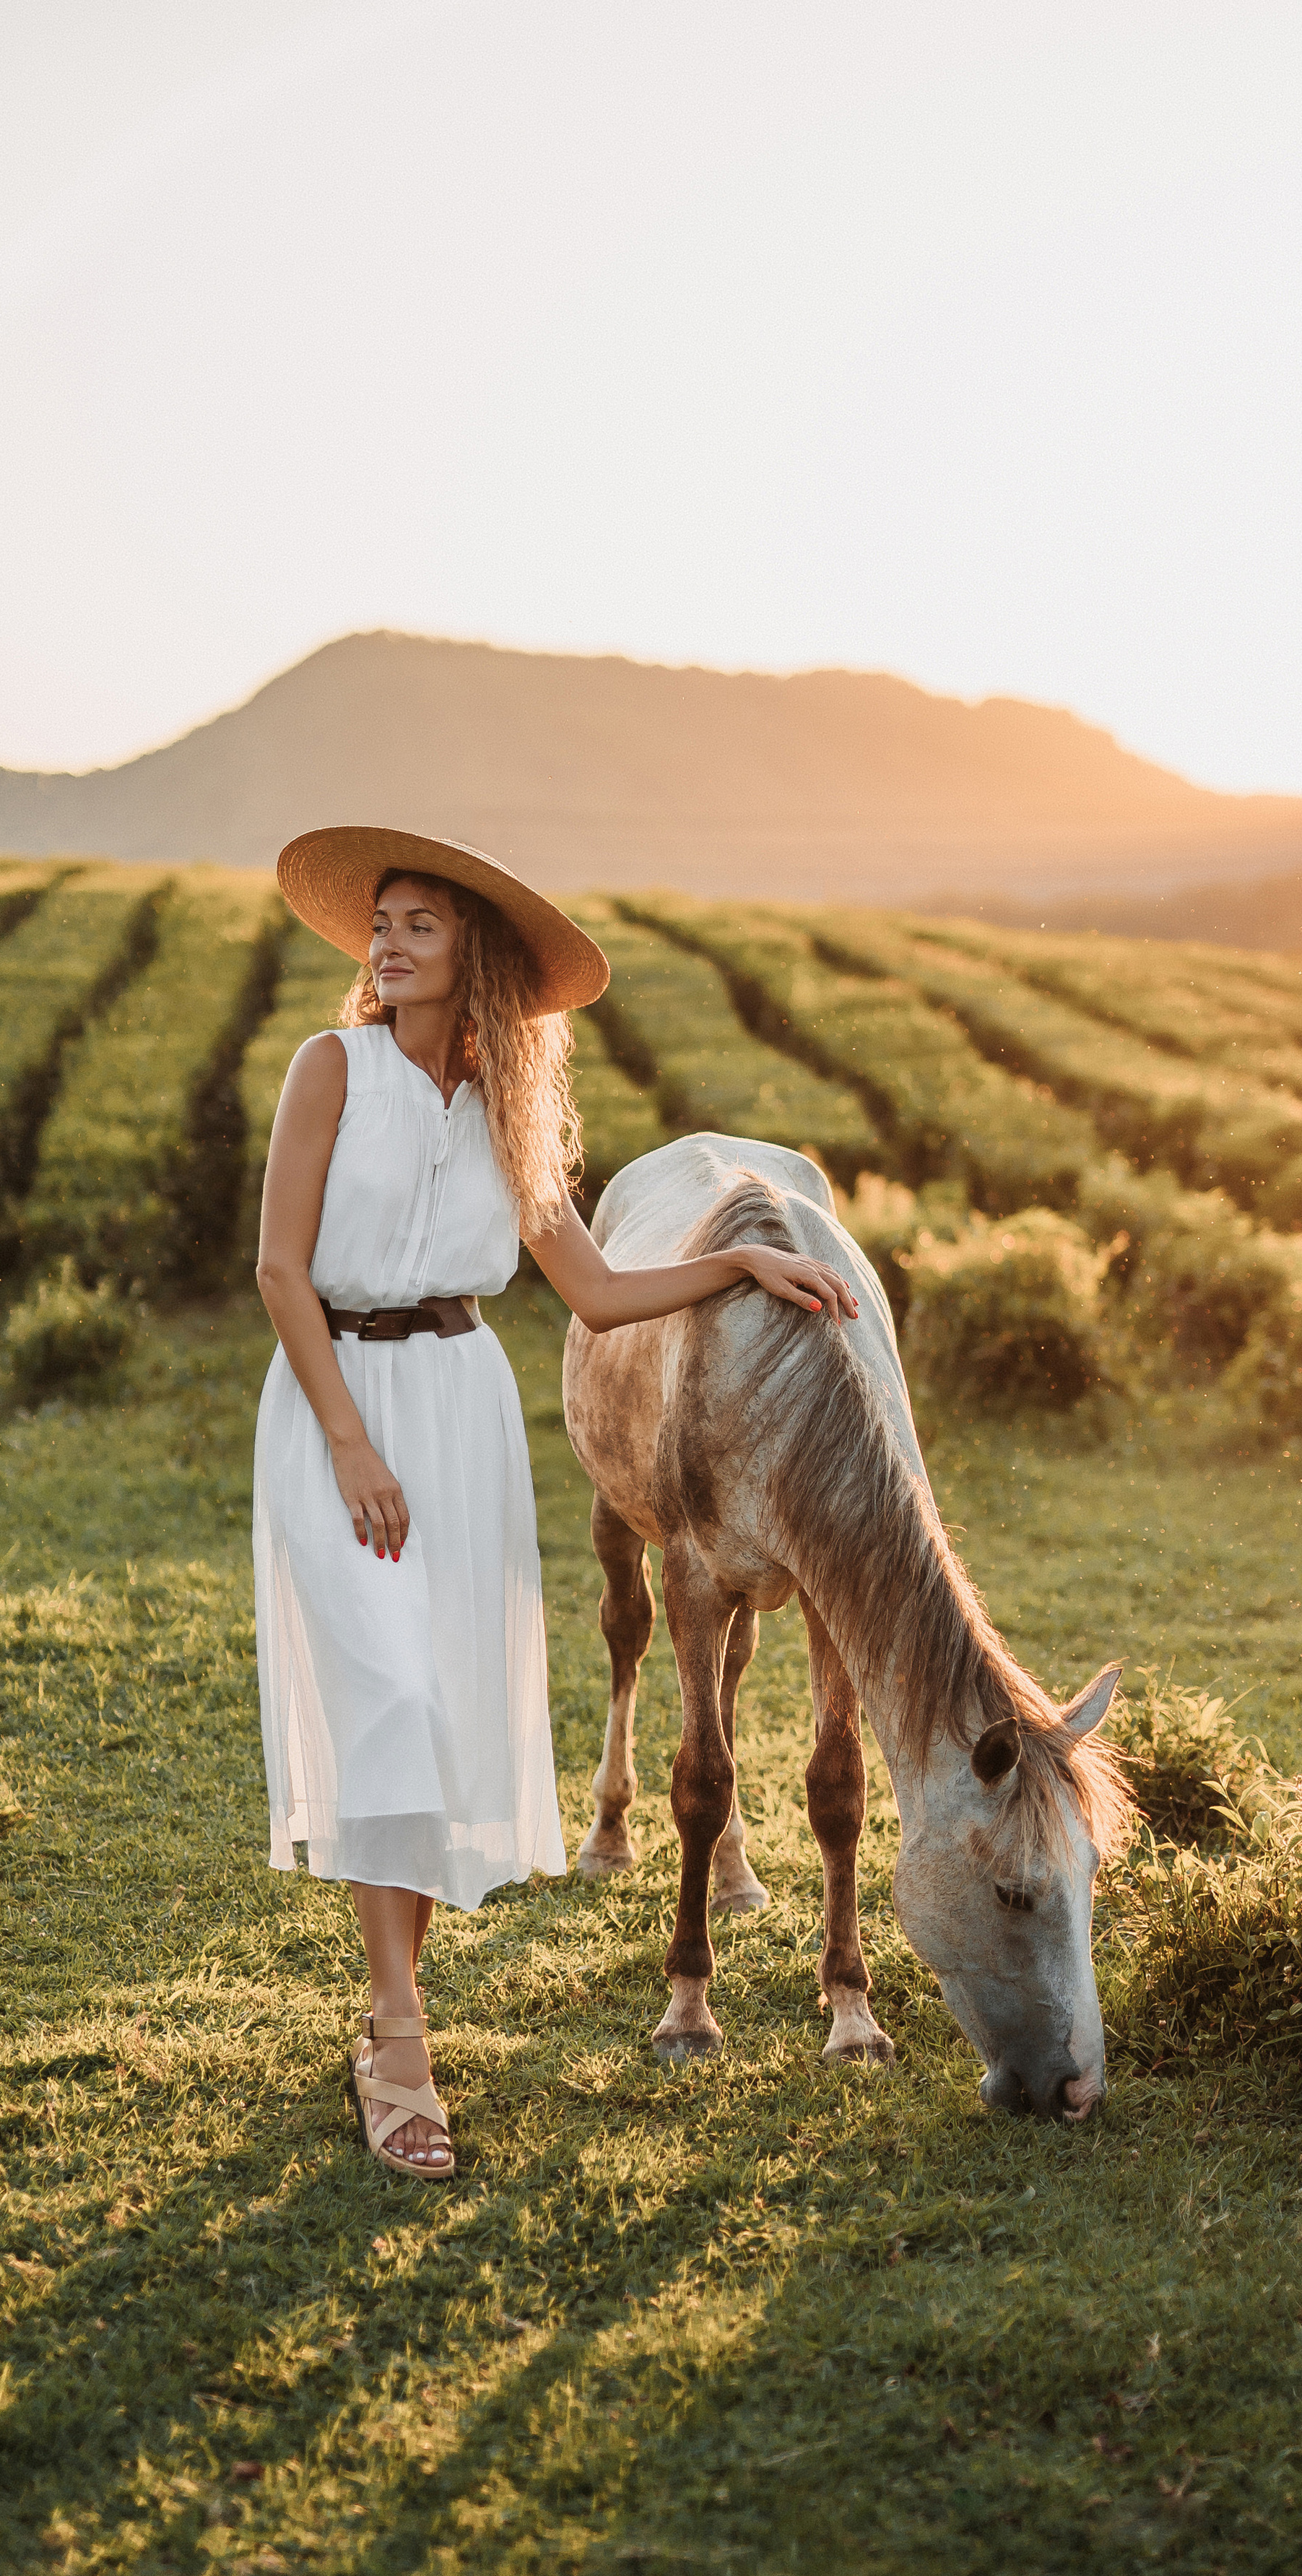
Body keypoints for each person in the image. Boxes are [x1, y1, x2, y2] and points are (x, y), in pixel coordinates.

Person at [253, 828, 858, 2180]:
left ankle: (388, 2019)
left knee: (437, 1703)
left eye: (420, 923)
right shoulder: (329, 1069)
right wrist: (349, 1444)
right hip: (339, 1400)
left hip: (462, 1410)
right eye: (382, 923)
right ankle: (398, 2037)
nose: (388, 942)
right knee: (385, 1701)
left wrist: (742, 1263)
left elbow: (594, 1291)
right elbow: (281, 1272)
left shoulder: (507, 1114)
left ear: (477, 956)